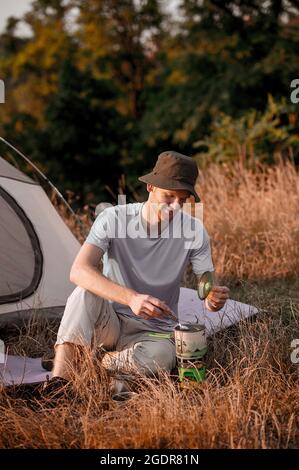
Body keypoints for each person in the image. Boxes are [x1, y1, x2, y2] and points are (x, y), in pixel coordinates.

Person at [47, 151, 229, 395]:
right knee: (83, 293)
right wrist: (131, 298)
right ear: (151, 187)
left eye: (183, 200)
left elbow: (206, 285)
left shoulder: (194, 230)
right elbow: (79, 270)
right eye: (169, 196)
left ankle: (105, 364)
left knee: (163, 357)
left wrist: (212, 299)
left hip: (155, 332)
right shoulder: (113, 218)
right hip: (111, 321)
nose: (175, 206)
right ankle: (59, 384)